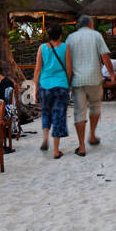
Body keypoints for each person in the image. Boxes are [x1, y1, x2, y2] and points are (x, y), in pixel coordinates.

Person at [66, 14, 114, 157]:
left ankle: (81, 147)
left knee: (79, 112)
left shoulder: (70, 38)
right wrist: (112, 74)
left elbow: (67, 62)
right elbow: (105, 57)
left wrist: (68, 81)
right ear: (90, 24)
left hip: (77, 80)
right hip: (94, 78)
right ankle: (92, 135)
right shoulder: (96, 35)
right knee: (95, 108)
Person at [33, 23, 70, 158]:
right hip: (61, 85)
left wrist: (35, 88)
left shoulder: (42, 48)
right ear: (60, 35)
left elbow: (37, 69)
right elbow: (69, 68)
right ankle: (55, 150)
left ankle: (45, 138)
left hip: (45, 84)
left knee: (46, 112)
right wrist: (69, 83)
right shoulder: (65, 47)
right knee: (58, 116)